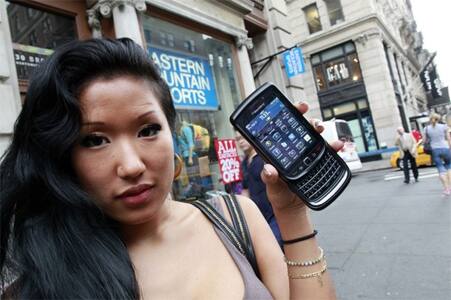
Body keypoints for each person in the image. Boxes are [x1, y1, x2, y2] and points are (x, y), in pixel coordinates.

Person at [0, 38, 340, 299]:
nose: (132, 166)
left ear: (172, 133)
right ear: (62, 155)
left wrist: (292, 212)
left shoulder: (236, 217)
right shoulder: (41, 280)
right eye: (95, 140)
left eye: (148, 130)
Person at [235, 131, 283, 248]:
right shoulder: (244, 163)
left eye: (242, 137)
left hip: (275, 214)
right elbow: (245, 189)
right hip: (259, 217)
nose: (240, 142)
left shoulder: (264, 157)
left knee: (275, 247)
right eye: (238, 139)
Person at [423, 113, 451, 195]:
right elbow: (448, 138)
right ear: (438, 119)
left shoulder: (426, 129)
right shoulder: (444, 126)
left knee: (440, 169)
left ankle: (446, 189)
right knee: (449, 167)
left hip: (435, 150)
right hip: (445, 148)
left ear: (430, 119)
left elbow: (424, 141)